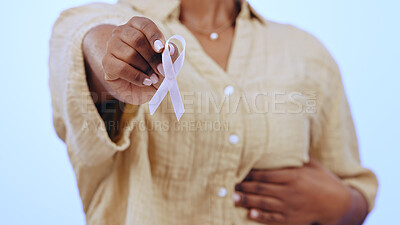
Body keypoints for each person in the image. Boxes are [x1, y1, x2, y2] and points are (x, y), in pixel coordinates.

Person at [49, 0, 378, 224]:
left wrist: (343, 206)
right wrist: (113, 57)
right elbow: (90, 41)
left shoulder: (307, 52)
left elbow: (354, 189)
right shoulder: (105, 23)